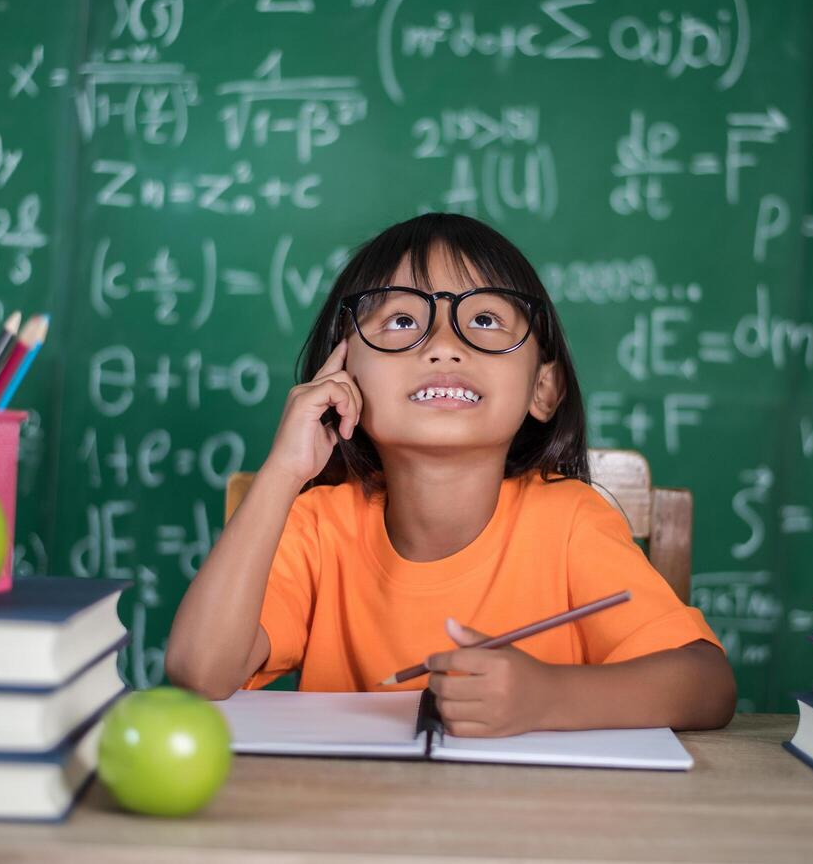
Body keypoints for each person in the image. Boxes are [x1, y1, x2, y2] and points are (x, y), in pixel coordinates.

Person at [166, 213, 735, 737]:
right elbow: (200, 671)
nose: (443, 344)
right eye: (403, 320)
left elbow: (708, 685)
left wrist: (548, 697)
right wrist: (283, 470)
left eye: (485, 318)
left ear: (543, 389)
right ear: (341, 373)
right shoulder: (316, 526)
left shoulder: (571, 522)